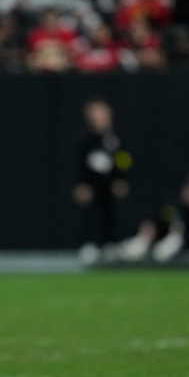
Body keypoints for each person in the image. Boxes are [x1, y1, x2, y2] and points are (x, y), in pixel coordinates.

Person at [72, 96, 131, 263]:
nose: (98, 119)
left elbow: (123, 159)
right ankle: (88, 245)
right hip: (91, 185)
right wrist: (81, 184)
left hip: (110, 186)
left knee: (110, 213)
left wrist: (122, 179)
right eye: (94, 116)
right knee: (90, 212)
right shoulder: (85, 140)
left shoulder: (116, 140)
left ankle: (110, 244)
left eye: (102, 115)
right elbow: (79, 164)